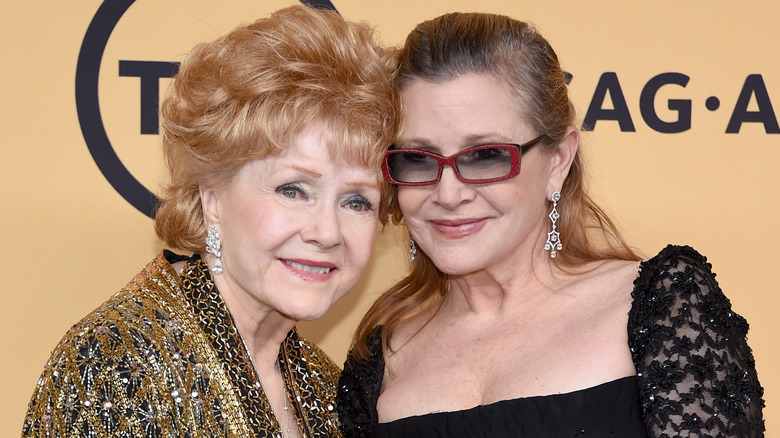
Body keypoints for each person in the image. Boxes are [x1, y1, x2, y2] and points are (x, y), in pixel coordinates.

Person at [337, 11, 764, 438]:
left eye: (486, 155)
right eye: (418, 159)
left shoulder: (661, 307)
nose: (449, 194)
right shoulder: (379, 361)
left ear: (558, 159)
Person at [22, 5, 398, 437]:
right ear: (213, 197)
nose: (327, 232)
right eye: (292, 190)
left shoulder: (325, 384)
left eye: (356, 201)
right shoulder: (115, 365)